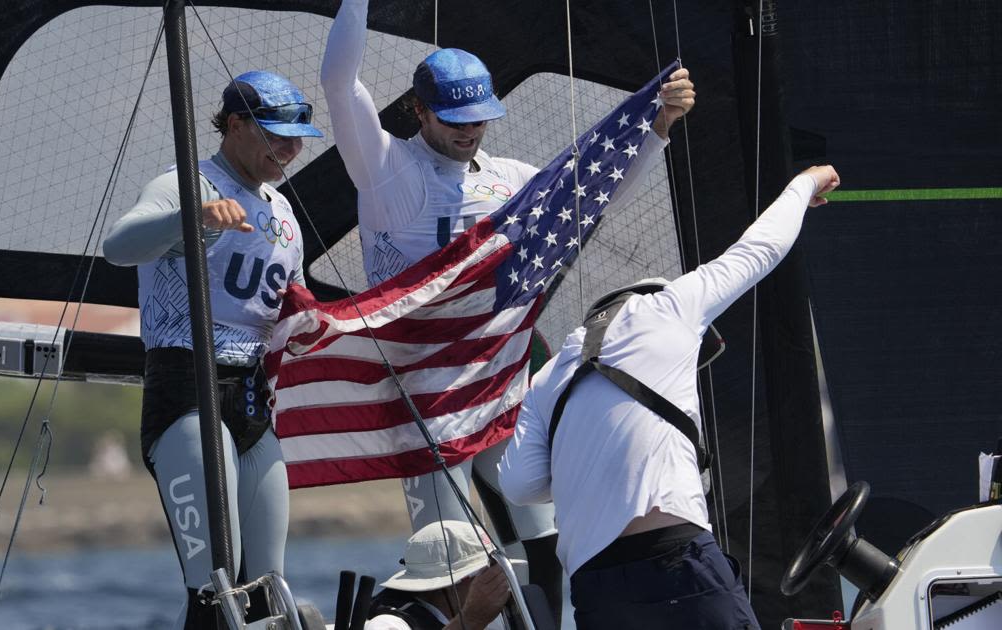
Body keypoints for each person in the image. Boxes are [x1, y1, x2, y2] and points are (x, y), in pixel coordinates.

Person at [320, 0, 697, 616]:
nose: (469, 131)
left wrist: (656, 128)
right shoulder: (386, 167)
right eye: (453, 120)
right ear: (418, 111)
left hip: (495, 379)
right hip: (422, 391)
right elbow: (339, 80)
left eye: (479, 119)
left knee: (542, 534)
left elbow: (596, 197)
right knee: (449, 558)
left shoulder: (510, 179)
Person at [498, 165, 842, 629]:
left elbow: (519, 487)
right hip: (677, 562)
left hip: (597, 587)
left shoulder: (546, 380)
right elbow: (760, 249)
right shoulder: (669, 306)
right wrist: (804, 185)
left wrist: (587, 466)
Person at [102, 70, 323, 629]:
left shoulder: (282, 212)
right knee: (215, 588)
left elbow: (284, 301)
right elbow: (118, 247)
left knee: (269, 589)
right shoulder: (187, 182)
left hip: (252, 402)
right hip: (187, 392)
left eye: (299, 137)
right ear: (234, 125)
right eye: (277, 135)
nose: (292, 150)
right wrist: (193, 219)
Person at [366, 521, 512, 630]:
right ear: (451, 583)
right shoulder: (387, 624)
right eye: (487, 570)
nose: (498, 576)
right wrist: (471, 619)